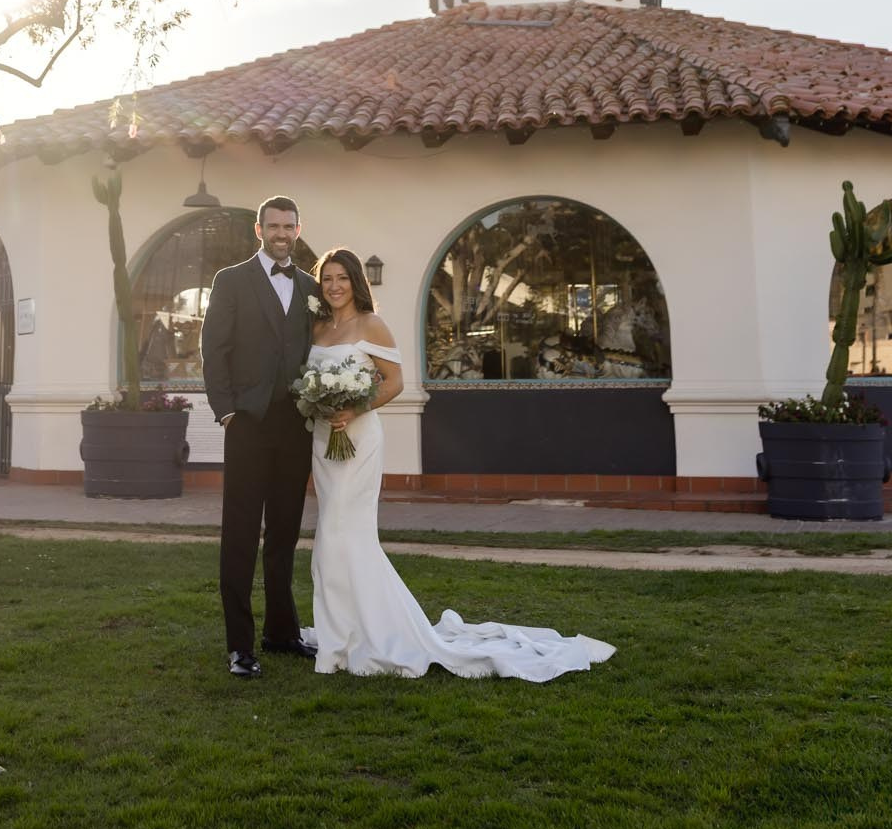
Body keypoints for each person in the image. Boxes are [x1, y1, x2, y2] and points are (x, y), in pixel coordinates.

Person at [303, 246, 616, 681]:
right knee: (330, 537)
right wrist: (320, 403)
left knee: (343, 534)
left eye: (341, 278)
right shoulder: (318, 327)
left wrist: (354, 408)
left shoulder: (371, 324)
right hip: (324, 440)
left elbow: (394, 382)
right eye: (327, 278)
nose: (334, 286)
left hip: (357, 438)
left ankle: (360, 637)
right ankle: (341, 633)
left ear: (356, 282)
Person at [200, 196, 318, 679]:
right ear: (259, 230)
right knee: (241, 534)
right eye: (273, 226)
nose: (281, 234)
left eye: (288, 226)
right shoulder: (231, 280)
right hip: (247, 424)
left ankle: (282, 632)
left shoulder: (311, 287)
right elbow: (214, 349)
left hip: (296, 426)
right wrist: (227, 411)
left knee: (285, 532)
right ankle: (240, 646)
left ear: (297, 229)